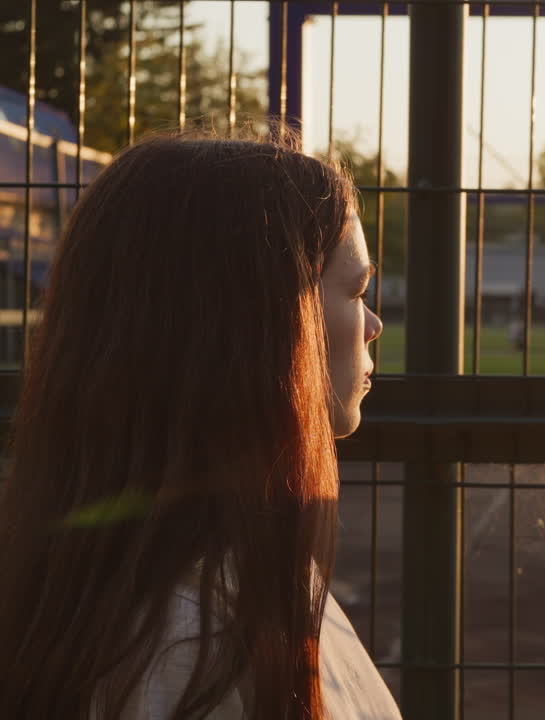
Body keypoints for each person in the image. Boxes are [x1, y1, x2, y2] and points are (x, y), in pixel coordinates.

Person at [0, 129, 397, 719]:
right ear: (260, 323)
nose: (373, 326)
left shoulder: (225, 582)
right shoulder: (185, 642)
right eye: (357, 290)